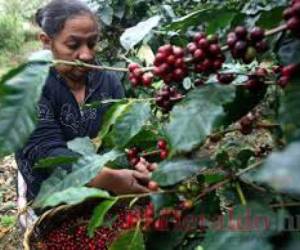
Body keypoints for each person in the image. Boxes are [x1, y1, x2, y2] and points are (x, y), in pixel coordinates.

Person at [15, 0, 152, 222]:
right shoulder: (29, 87)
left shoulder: (108, 81)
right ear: (46, 42)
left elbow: (119, 137)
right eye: (73, 45)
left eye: (92, 43)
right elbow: (46, 153)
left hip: (98, 195)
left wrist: (134, 162)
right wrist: (111, 179)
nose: (87, 55)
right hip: (49, 198)